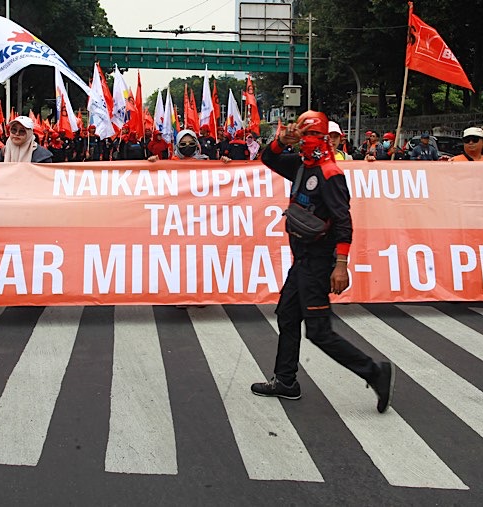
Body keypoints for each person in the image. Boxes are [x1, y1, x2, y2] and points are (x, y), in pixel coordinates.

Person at [251, 110, 395, 413]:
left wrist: (341, 265)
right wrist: (280, 141)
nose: (304, 142)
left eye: (309, 136)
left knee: (318, 331)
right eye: (301, 136)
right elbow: (268, 159)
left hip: (318, 263)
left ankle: (374, 371)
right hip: (301, 261)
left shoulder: (330, 175)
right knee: (288, 317)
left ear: (324, 139)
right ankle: (286, 381)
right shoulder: (303, 166)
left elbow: (344, 222)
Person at [148, 129, 231, 162]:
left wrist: (223, 164)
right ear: (177, 145)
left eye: (191, 143)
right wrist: (154, 165)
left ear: (196, 145)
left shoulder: (204, 160)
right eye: (183, 144)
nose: (187, 146)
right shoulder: (172, 162)